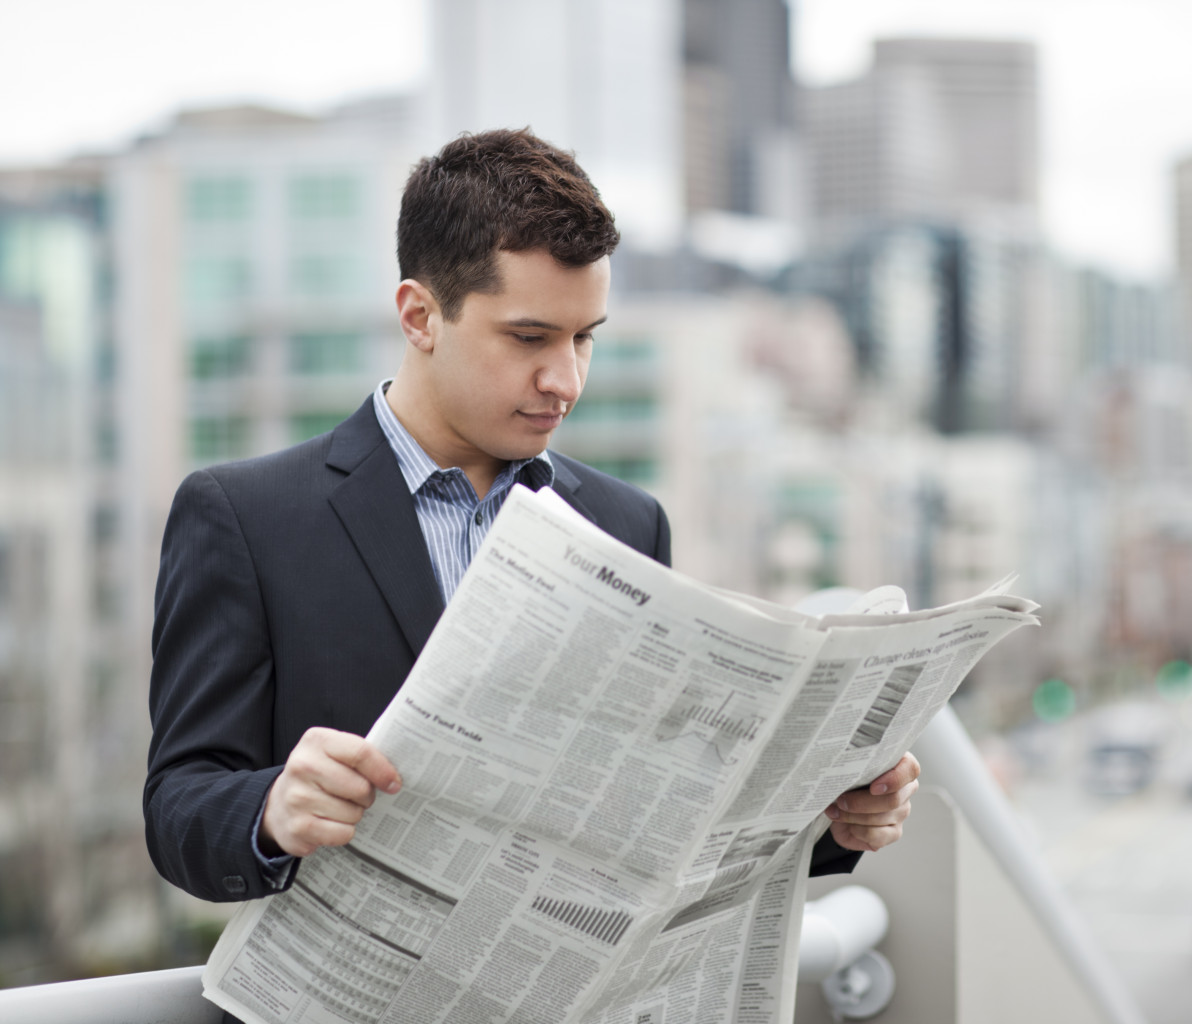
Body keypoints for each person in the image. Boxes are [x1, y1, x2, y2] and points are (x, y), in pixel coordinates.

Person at [144, 127, 919, 911]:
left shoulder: (628, 522)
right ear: (419, 316)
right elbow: (179, 802)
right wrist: (270, 810)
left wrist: (831, 822)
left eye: (585, 338)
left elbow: (669, 799)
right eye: (528, 338)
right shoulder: (246, 518)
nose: (566, 380)